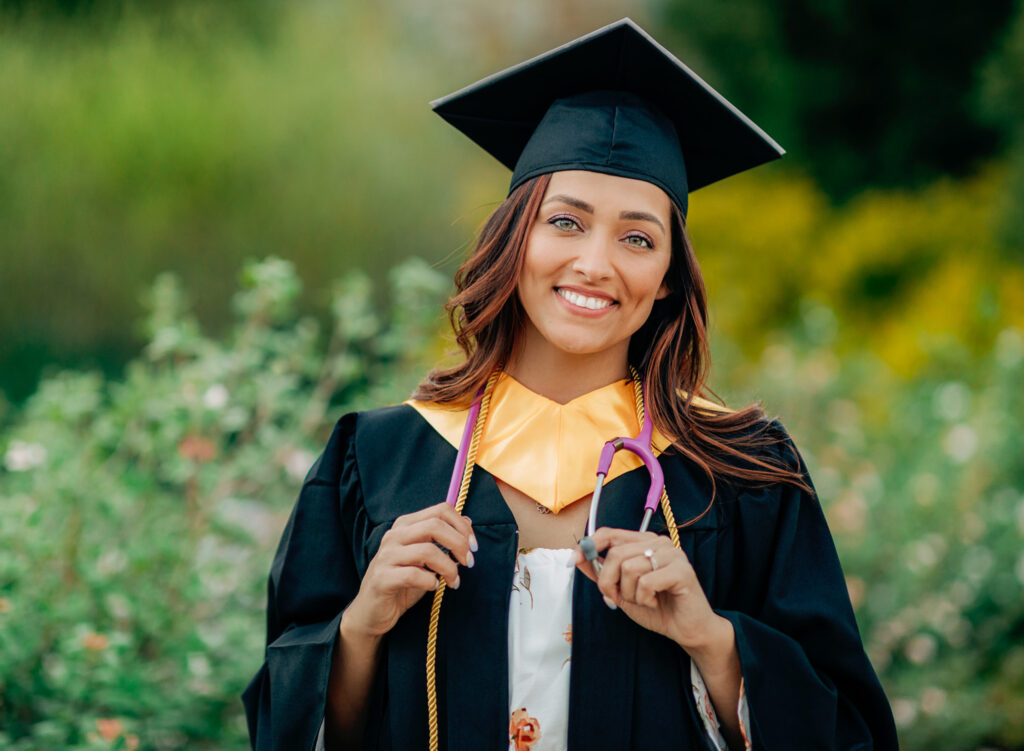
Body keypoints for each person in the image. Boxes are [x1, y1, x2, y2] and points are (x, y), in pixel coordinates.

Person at [242, 19, 899, 751]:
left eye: (638, 238)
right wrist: (363, 624)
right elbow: (281, 724)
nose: (595, 262)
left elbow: (849, 732)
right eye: (566, 221)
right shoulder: (378, 459)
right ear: (515, 238)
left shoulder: (746, 474)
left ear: (669, 279)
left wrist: (711, 638)